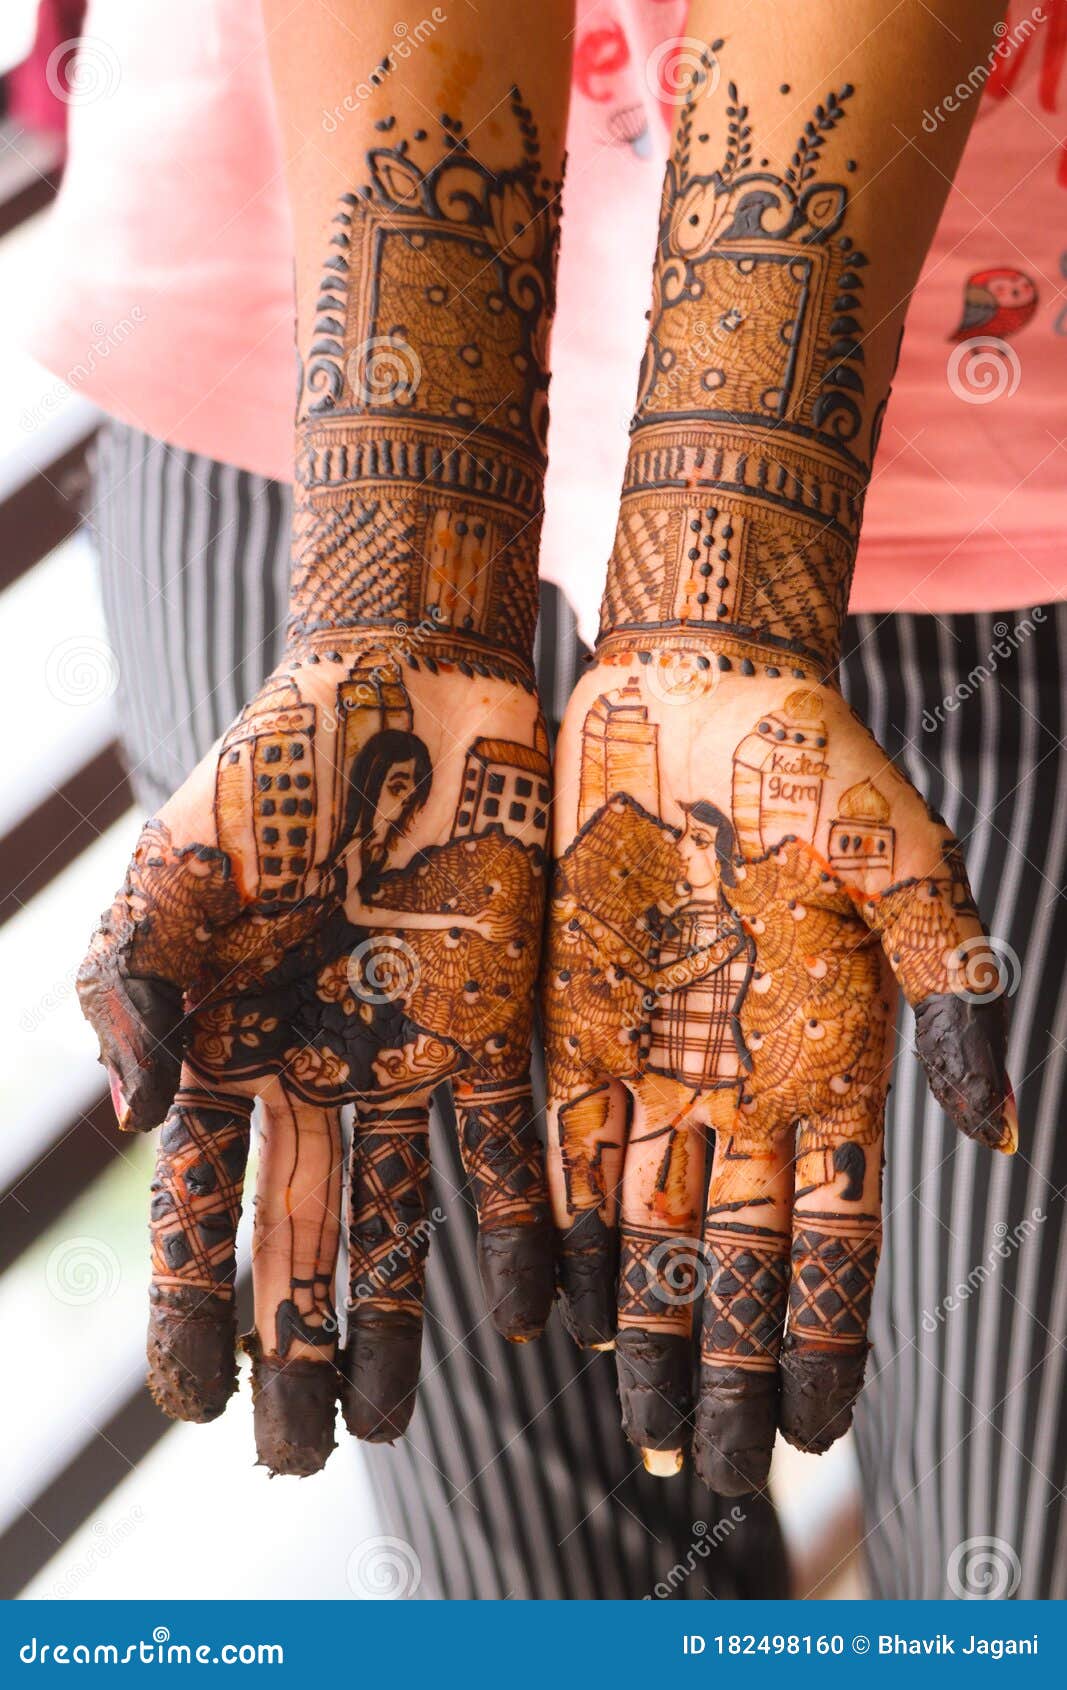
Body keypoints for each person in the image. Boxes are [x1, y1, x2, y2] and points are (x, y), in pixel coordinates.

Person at [33, 0, 1067, 1599]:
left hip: (999, 439)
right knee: (530, 1603)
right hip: (285, 352)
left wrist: (721, 585)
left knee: (1019, 1588)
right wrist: (398, 605)